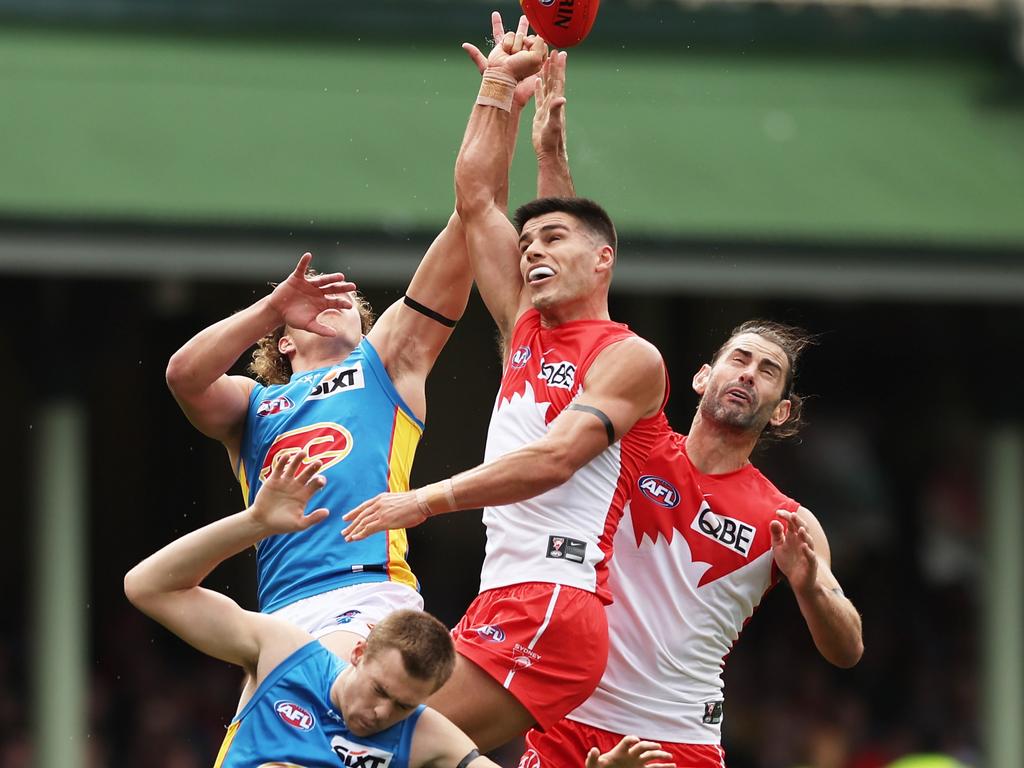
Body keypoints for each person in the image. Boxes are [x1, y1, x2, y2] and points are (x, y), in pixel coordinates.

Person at [163, 20, 557, 661]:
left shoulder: (386, 362)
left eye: (347, 297)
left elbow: (474, 216)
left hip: (369, 595)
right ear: (283, 342)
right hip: (280, 608)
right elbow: (184, 376)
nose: (334, 297)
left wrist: (500, 102)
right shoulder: (254, 405)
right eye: (310, 301)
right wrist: (269, 307)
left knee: (349, 719)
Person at [342, 15, 669, 753]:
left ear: (605, 261)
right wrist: (500, 89)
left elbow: (555, 459)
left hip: (553, 602)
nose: (533, 251)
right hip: (513, 598)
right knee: (386, 738)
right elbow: (477, 202)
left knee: (378, 738)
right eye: (528, 246)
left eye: (553, 241)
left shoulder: (629, 355)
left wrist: (424, 500)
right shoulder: (527, 326)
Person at [124, 450, 674, 768]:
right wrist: (256, 524)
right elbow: (147, 587)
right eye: (382, 691)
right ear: (360, 652)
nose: (381, 714)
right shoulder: (284, 653)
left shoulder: (428, 737)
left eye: (404, 706)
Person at [524, 320, 865, 767]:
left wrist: (810, 588)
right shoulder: (629, 446)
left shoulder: (789, 521)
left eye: (767, 371)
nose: (747, 374)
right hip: (571, 717)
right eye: (739, 359)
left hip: (679, 739)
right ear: (703, 377)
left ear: (781, 412)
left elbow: (848, 649)